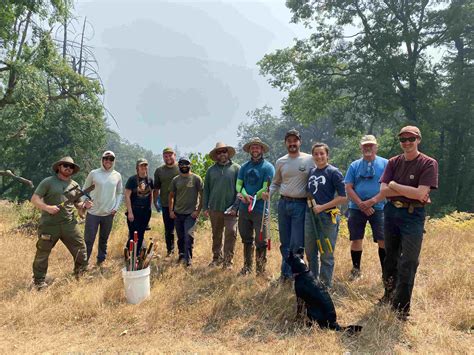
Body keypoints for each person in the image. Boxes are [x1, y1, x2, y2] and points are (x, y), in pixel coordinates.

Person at [365, 126, 438, 320]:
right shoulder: (393, 162)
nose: (406, 143)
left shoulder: (428, 163)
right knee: (390, 258)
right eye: (403, 139)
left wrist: (395, 185)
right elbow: (384, 190)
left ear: (418, 140)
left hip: (414, 215)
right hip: (391, 213)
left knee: (409, 261)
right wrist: (405, 190)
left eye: (410, 139)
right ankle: (389, 295)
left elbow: (421, 193)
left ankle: (401, 308)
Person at [30, 157, 92, 289]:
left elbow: (78, 204)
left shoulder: (75, 185)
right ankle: (39, 281)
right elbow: (35, 199)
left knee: (81, 249)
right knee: (43, 253)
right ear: (59, 167)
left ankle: (81, 274)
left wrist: (85, 205)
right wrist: (47, 208)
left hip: (69, 224)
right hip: (49, 225)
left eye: (71, 167)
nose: (68, 168)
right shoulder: (48, 182)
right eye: (65, 165)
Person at [268, 129, 314, 281]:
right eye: (289, 141)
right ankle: (285, 274)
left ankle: (297, 275)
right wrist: (269, 193)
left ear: (300, 142)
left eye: (295, 141)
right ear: (285, 143)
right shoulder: (281, 161)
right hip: (283, 203)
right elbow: (276, 183)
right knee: (285, 242)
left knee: (296, 243)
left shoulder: (309, 159)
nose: (292, 143)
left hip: (300, 205)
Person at [344, 135, 388, 280]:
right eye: (365, 146)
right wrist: (361, 204)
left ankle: (386, 273)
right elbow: (348, 187)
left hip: (380, 207)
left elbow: (388, 187)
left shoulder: (386, 164)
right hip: (356, 208)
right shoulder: (354, 165)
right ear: (361, 147)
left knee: (383, 240)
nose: (368, 148)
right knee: (356, 239)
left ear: (376, 147)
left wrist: (372, 202)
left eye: (371, 145)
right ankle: (356, 270)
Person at [305, 143, 347, 288]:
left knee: (326, 254)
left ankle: (324, 286)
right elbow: (309, 193)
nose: (319, 156)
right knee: (310, 251)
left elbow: (343, 197)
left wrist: (322, 207)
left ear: (327, 155)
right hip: (310, 216)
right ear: (313, 156)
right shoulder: (311, 172)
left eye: (322, 153)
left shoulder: (334, 172)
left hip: (328, 217)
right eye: (316, 154)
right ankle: (312, 282)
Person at [236, 138, 275, 276]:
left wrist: (253, 198)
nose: (255, 150)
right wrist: (245, 195)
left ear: (262, 150)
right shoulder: (244, 167)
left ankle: (260, 271)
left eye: (257, 147)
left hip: (260, 209)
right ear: (249, 150)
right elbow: (239, 185)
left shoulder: (268, 167)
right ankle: (247, 267)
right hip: (244, 209)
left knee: (261, 240)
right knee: (246, 238)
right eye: (253, 147)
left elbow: (266, 187)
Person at [203, 142, 240, 269]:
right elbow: (206, 190)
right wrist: (205, 207)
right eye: (219, 152)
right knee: (216, 234)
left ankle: (228, 261)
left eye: (224, 151)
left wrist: (236, 206)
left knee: (231, 232)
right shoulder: (211, 170)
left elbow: (239, 189)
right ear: (216, 155)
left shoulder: (236, 168)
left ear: (228, 153)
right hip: (214, 208)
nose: (222, 154)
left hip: (231, 208)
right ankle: (216, 258)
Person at [83, 150, 123, 267]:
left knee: (103, 239)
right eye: (106, 158)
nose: (108, 161)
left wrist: (116, 207)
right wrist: (85, 202)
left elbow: (119, 192)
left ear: (114, 161)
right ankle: (84, 263)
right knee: (89, 240)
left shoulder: (117, 175)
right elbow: (85, 190)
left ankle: (101, 261)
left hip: (108, 213)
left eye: (111, 159)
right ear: (102, 160)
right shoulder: (94, 173)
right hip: (93, 212)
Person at [169, 156, 203, 267]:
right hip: (178, 213)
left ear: (190, 165)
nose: (184, 166)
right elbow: (171, 196)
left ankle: (188, 260)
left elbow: (203, 195)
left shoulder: (196, 179)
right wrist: (171, 211)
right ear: (178, 166)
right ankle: (181, 255)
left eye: (186, 163)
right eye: (182, 164)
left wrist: (198, 211)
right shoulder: (175, 180)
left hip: (190, 214)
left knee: (188, 236)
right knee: (181, 237)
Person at [153, 147, 180, 257]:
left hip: (181, 204)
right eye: (165, 156)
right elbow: (156, 188)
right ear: (163, 157)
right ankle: (170, 251)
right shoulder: (159, 171)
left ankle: (183, 253)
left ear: (175, 155)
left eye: (170, 155)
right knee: (169, 230)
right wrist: (155, 202)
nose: (168, 158)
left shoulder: (181, 167)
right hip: (165, 204)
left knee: (182, 230)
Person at [124, 158, 153, 252]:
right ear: (137, 167)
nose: (144, 167)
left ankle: (137, 255)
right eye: (141, 165)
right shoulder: (132, 180)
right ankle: (130, 253)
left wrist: (150, 208)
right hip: (134, 210)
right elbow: (127, 196)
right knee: (133, 234)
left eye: (145, 165)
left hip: (145, 211)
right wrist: (130, 212)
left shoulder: (150, 180)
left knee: (141, 234)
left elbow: (151, 194)